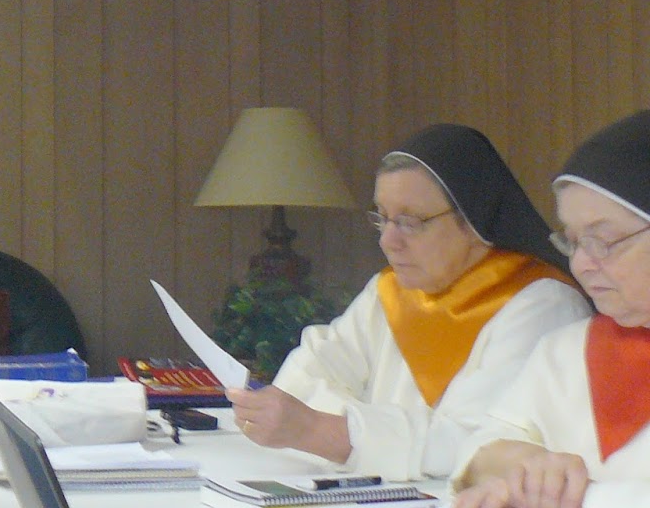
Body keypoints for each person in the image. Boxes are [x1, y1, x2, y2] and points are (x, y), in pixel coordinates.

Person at [227, 124, 591, 481]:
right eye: (383, 218)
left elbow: (477, 444)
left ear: (475, 220)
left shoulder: (542, 305)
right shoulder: (390, 291)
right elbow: (299, 381)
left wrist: (324, 430)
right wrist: (355, 432)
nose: (388, 241)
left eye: (410, 222)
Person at [447, 110, 650, 508]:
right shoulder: (567, 349)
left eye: (604, 241)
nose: (581, 264)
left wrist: (573, 504)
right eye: (573, 242)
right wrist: (522, 470)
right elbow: (483, 442)